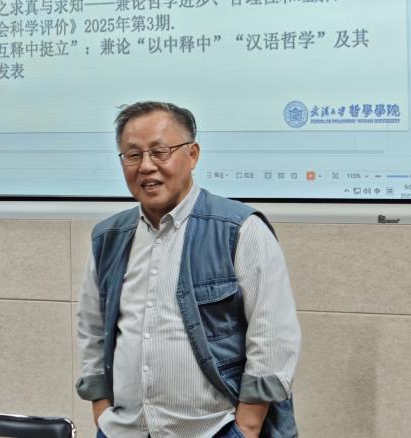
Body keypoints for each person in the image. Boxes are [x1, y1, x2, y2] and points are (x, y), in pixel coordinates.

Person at [75, 102, 301, 438]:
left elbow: (273, 334)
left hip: (215, 430)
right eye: (133, 155)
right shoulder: (108, 238)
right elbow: (91, 329)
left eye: (159, 152)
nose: (146, 166)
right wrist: (101, 408)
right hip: (124, 429)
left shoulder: (239, 229)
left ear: (192, 155)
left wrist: (247, 427)